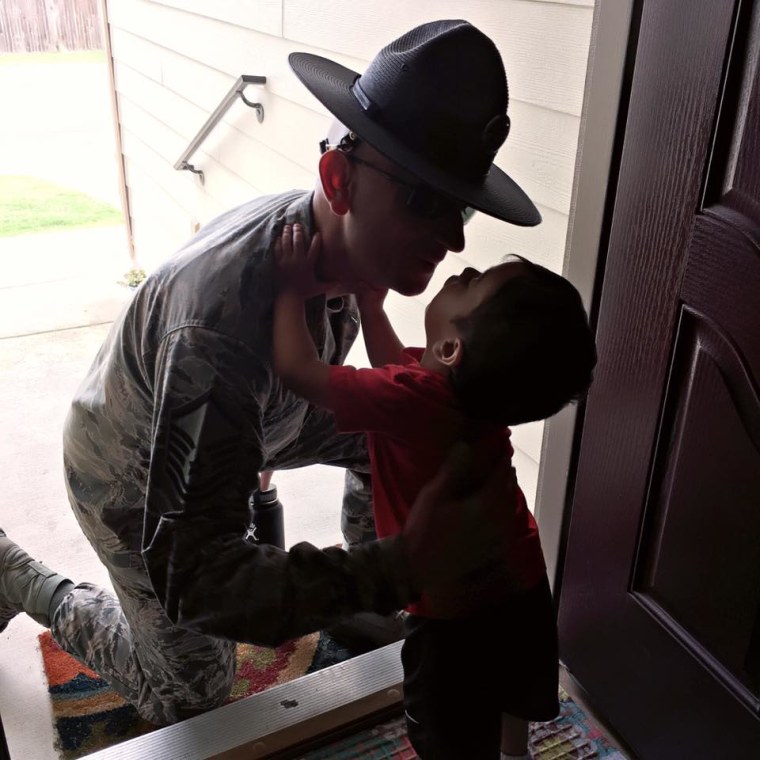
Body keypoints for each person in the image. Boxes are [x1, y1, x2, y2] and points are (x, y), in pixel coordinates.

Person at [0, 19, 544, 726]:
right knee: (189, 693)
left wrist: (378, 571)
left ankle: (366, 610)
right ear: (338, 179)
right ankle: (19, 576)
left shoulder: (349, 250)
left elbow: (371, 396)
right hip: (130, 470)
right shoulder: (220, 333)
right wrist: (396, 568)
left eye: (461, 205)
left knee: (410, 436)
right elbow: (199, 581)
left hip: (258, 415)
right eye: (425, 201)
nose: (455, 238)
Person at [272, 222, 597, 760]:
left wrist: (287, 288)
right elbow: (397, 370)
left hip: (451, 609)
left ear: (449, 349)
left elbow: (299, 371)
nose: (465, 269)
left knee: (447, 725)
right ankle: (517, 753)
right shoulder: (473, 397)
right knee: (517, 682)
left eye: (473, 282)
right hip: (519, 578)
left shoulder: (414, 399)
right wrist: (371, 308)